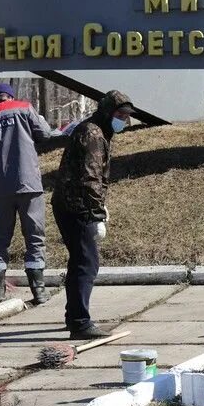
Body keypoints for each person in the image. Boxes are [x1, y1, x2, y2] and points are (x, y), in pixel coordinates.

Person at [51, 90, 134, 339]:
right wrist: (97, 214)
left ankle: (73, 316)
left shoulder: (97, 130)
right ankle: (80, 323)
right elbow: (90, 178)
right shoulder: (93, 134)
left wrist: (98, 207)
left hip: (73, 203)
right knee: (87, 263)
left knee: (80, 260)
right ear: (108, 112)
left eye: (127, 116)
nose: (124, 120)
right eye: (120, 115)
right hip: (76, 206)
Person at [0, 83, 51, 304]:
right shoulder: (24, 108)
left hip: (0, 189)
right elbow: (44, 134)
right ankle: (39, 290)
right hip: (28, 184)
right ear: (10, 96)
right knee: (35, 238)